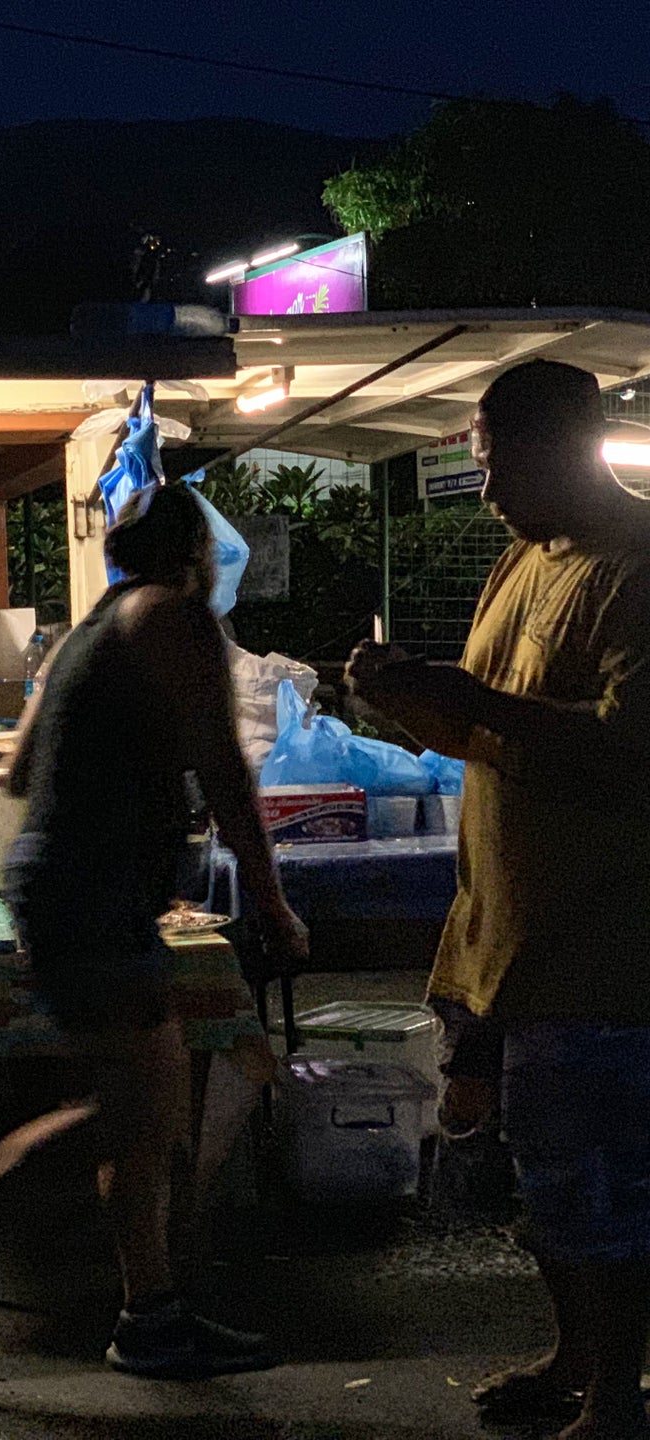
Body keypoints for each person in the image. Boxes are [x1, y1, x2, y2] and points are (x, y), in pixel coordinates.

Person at [346, 360, 650, 1440]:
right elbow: (487, 734)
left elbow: (629, 752)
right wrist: (407, 702)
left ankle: (618, 1398)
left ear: (563, 445)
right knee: (544, 1181)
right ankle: (575, 1357)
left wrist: (474, 700)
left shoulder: (637, 566)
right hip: (499, 937)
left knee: (603, 1185)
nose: (483, 493)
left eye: (492, 464)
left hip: (603, 946)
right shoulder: (521, 564)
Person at [5, 480, 307, 1380]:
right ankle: (138, 1313)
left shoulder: (86, 629)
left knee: (137, 1107)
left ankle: (147, 1306)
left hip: (61, 885)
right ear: (201, 558)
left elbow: (21, 768)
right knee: (146, 1114)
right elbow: (223, 771)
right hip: (94, 894)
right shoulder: (174, 618)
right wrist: (273, 900)